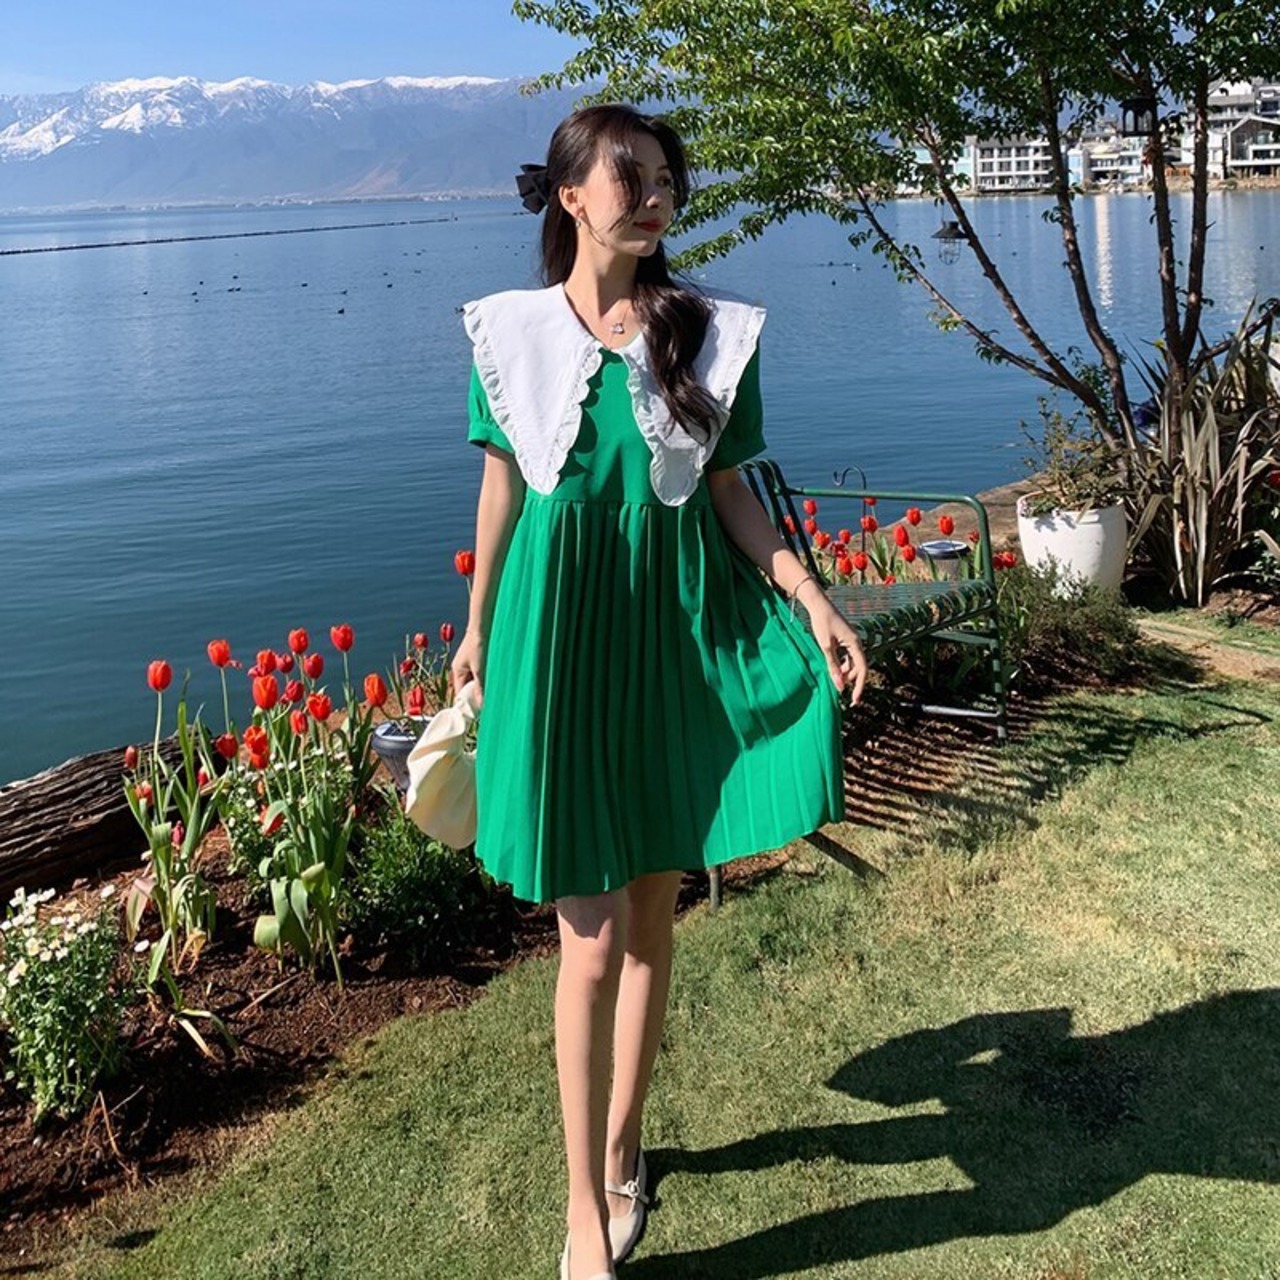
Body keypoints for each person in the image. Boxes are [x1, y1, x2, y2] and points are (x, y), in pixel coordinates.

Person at [450, 103, 867, 1280]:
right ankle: (583, 1208)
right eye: (627, 177)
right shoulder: (509, 332)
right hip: (558, 641)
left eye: (666, 181)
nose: (652, 198)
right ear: (568, 194)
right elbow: (500, 491)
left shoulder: (706, 332)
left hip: (670, 642)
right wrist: (475, 627)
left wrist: (809, 594)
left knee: (646, 922)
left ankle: (624, 1144)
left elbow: (730, 491)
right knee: (585, 946)